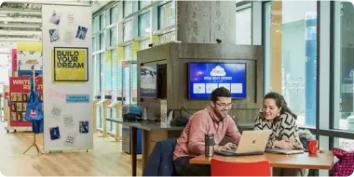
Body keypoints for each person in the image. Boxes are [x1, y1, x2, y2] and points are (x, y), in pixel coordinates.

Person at [173, 87, 241, 176]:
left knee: (231, 170)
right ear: (212, 104)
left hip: (205, 158)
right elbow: (193, 146)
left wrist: (250, 144)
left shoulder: (227, 119)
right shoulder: (201, 116)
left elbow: (237, 137)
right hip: (185, 159)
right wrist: (217, 148)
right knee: (219, 173)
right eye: (222, 105)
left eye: (229, 104)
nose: (226, 108)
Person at [254, 92, 305, 176]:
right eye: (265, 107)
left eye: (271, 108)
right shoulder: (260, 116)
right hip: (268, 157)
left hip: (291, 160)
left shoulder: (287, 118)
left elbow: (286, 146)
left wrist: (266, 143)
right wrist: (276, 143)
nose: (267, 111)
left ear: (279, 109)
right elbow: (255, 141)